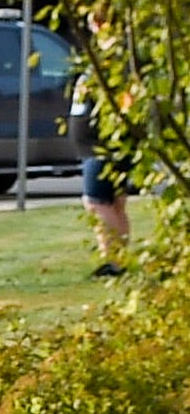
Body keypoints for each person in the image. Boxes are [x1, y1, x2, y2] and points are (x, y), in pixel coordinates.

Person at [70, 41, 131, 277]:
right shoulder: (101, 61)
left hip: (102, 147)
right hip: (95, 147)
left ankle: (116, 262)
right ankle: (116, 260)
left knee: (96, 203)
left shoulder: (115, 63)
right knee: (115, 204)